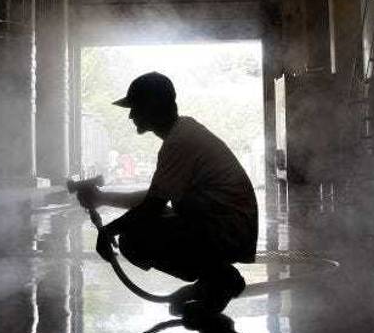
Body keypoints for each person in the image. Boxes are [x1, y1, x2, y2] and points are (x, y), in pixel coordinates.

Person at [77, 72, 258, 316]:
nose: (131, 115)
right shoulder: (182, 134)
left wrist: (109, 230)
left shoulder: (179, 142)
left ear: (153, 106)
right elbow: (153, 198)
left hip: (227, 230)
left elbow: (151, 207)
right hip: (224, 225)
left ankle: (220, 279)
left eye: (135, 107)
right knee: (148, 222)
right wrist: (102, 198)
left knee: (134, 240)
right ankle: (213, 279)